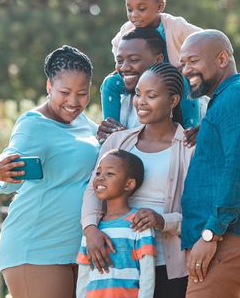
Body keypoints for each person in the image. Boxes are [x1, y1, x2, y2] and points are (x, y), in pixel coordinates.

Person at [0, 45, 100, 298]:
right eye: (65, 92)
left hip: (75, 246)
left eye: (82, 93)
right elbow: (9, 166)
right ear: (49, 86)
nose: (74, 102)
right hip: (36, 244)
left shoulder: (82, 122)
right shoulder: (33, 124)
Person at [179, 29, 240, 297]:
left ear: (222, 59)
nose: (186, 69)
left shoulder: (239, 97)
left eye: (193, 61)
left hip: (229, 240)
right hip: (225, 241)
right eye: (183, 63)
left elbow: (238, 172)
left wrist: (211, 233)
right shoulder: (226, 102)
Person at [81, 63, 194, 298]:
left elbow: (199, 212)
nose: (141, 102)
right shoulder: (118, 142)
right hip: (116, 259)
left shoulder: (190, 148)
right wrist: (90, 230)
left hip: (167, 265)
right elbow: (94, 188)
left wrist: (162, 220)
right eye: (138, 94)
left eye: (151, 96)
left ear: (173, 101)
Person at [101, 0, 202, 126]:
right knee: (109, 83)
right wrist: (121, 64)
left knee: (186, 85)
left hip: (171, 76)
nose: (134, 15)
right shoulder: (127, 28)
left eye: (141, 9)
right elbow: (116, 45)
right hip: (140, 77)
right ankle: (111, 125)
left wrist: (188, 65)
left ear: (160, 6)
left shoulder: (175, 25)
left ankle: (191, 127)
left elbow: (202, 39)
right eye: (129, 9)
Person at [98, 27, 199, 146]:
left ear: (158, 60)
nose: (124, 67)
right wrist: (107, 136)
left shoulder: (197, 102)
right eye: (119, 61)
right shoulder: (120, 97)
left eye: (134, 60)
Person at [76, 149, 156, 298]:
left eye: (110, 174)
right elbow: (83, 276)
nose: (100, 178)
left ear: (129, 184)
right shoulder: (92, 229)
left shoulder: (138, 222)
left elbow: (147, 275)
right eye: (98, 173)